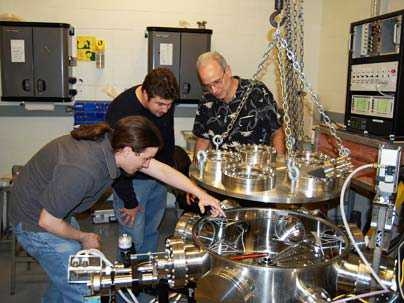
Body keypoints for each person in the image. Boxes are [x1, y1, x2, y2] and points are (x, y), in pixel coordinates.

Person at [9, 116, 224, 303]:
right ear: (129, 150)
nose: (146, 164)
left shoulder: (114, 145)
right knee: (86, 288)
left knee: (69, 273)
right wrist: (84, 236)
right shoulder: (83, 168)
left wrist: (201, 193)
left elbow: (162, 171)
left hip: (53, 211)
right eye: (145, 158)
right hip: (33, 221)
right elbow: (47, 221)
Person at [106, 68, 179, 254]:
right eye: (161, 104)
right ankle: (127, 280)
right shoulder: (122, 109)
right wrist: (129, 201)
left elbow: (167, 140)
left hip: (158, 179)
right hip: (132, 183)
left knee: (151, 232)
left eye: (170, 105)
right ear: (145, 93)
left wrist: (169, 176)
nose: (165, 109)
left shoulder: (164, 104)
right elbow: (114, 160)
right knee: (132, 238)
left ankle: (147, 278)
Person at [192, 51, 285, 155]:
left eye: (217, 82)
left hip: (255, 166)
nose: (214, 90)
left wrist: (280, 165)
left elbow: (277, 132)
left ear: (228, 71)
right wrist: (196, 169)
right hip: (222, 167)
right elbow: (203, 139)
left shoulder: (257, 93)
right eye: (207, 86)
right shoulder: (206, 100)